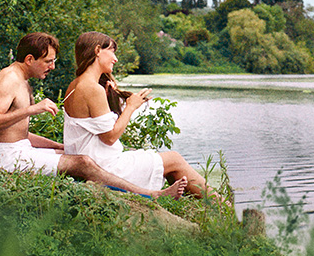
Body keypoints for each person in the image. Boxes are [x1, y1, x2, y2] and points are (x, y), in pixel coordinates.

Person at [0, 32, 187, 199]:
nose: (52, 66)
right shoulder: (8, 78)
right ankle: (151, 194)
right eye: (48, 61)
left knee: (72, 155)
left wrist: (58, 146)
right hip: (3, 157)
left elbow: (17, 133)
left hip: (17, 150)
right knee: (83, 163)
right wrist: (32, 109)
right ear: (29, 59)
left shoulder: (22, 80)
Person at [62, 31, 215, 199]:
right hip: (103, 167)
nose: (115, 58)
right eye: (112, 51)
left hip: (92, 159)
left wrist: (110, 95)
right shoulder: (91, 88)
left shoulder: (75, 84)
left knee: (159, 159)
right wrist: (130, 107)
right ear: (98, 50)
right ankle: (222, 207)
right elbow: (110, 137)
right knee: (174, 159)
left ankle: (207, 204)